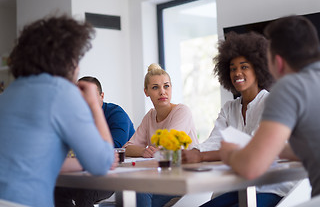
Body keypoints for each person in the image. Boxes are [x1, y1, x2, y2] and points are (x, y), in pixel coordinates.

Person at [0, 15, 116, 207]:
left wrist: (82, 162)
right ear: (67, 59)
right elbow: (102, 163)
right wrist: (94, 104)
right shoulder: (62, 93)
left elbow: (33, 160)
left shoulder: (9, 93)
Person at [186, 31, 295, 207]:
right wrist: (194, 152)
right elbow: (216, 140)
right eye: (233, 68)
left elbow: (252, 146)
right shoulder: (229, 108)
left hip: (271, 187)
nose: (237, 73)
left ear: (259, 69)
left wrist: (200, 157)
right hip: (239, 187)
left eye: (244, 67)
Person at [219, 15, 320, 199]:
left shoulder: (290, 87)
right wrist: (275, 148)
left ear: (278, 62)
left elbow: (251, 168)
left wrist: (230, 154)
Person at [123, 63, 199, 207]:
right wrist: (144, 151)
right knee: (130, 192)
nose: (162, 92)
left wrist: (152, 151)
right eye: (155, 87)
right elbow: (127, 148)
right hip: (162, 177)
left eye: (166, 86)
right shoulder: (150, 116)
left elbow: (165, 148)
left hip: (185, 177)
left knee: (139, 191)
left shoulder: (182, 111)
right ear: (146, 92)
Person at [55, 76, 135, 207]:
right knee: (57, 188)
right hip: (87, 173)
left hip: (115, 175)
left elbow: (112, 148)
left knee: (86, 191)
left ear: (101, 96)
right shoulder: (76, 118)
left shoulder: (116, 114)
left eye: (89, 96)